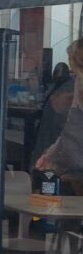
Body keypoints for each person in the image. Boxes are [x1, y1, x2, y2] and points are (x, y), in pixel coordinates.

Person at [35, 38, 83, 180]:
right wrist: (50, 154)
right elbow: (71, 129)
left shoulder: (77, 85)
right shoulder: (77, 84)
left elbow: (72, 132)